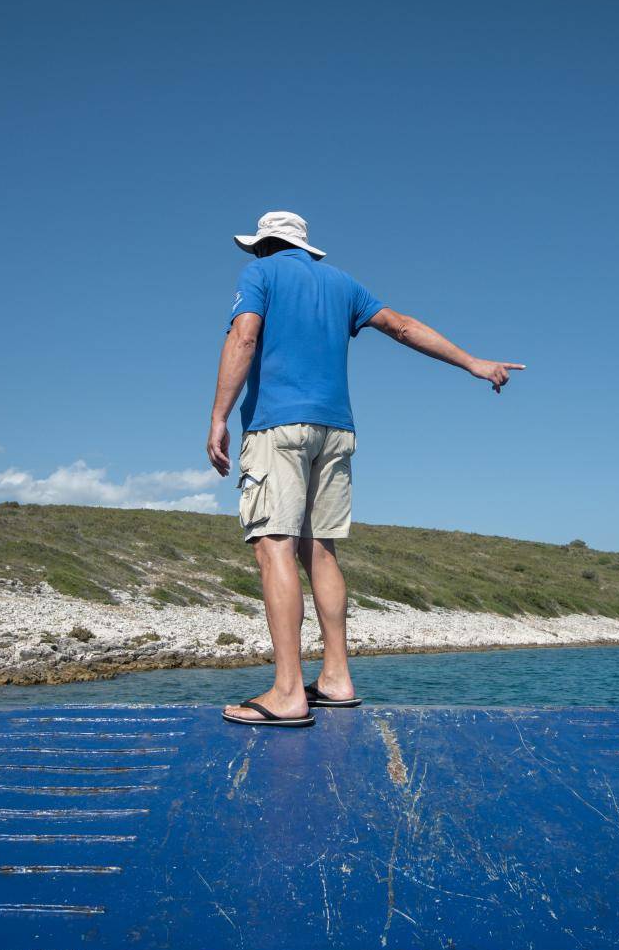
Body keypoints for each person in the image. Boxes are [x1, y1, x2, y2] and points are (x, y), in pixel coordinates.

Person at [206, 211, 524, 727]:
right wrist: (474, 363)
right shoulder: (343, 283)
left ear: (264, 245)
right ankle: (336, 679)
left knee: (275, 547)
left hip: (278, 425)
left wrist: (219, 417)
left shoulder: (259, 275)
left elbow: (244, 337)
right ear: (306, 247)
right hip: (337, 429)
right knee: (321, 549)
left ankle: (288, 691)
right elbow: (401, 327)